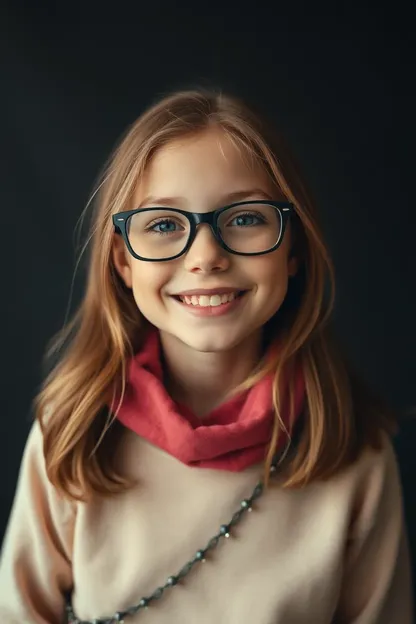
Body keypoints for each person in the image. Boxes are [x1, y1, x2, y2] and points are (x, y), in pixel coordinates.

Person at [0, 87, 412, 624]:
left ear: (294, 250)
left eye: (244, 219)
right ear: (123, 263)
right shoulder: (71, 433)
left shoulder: (355, 449)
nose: (206, 258)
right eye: (164, 225)